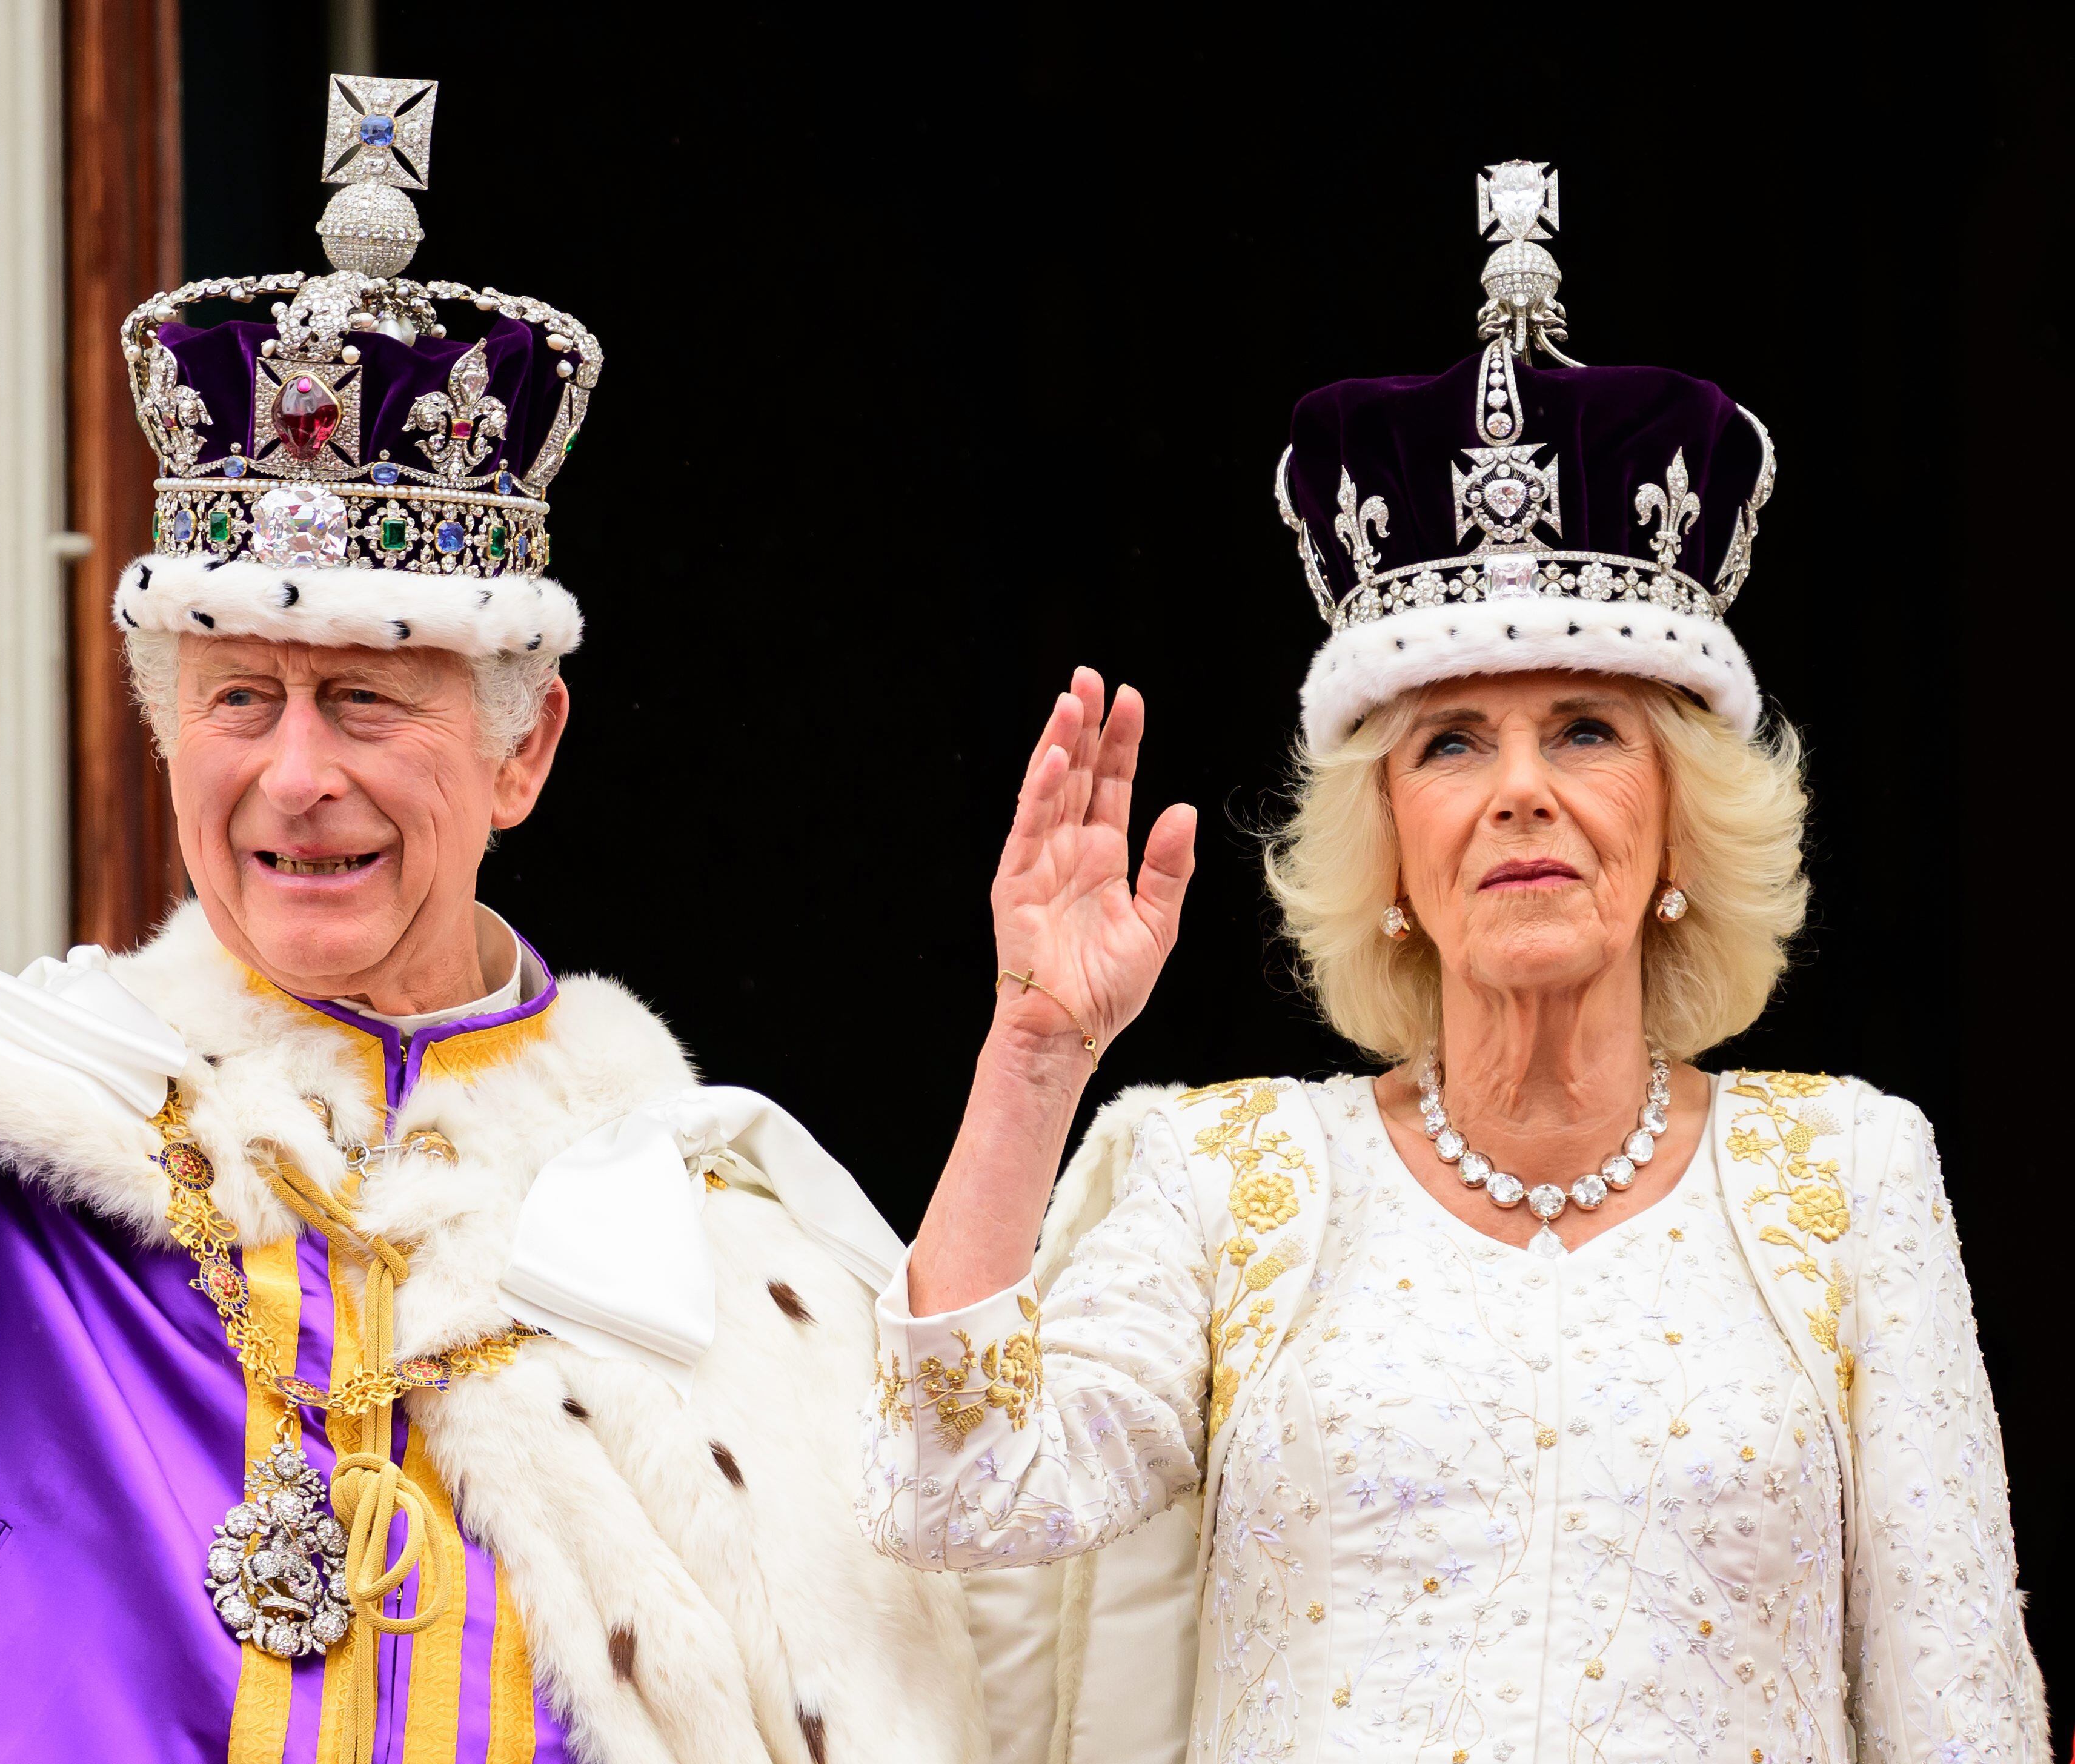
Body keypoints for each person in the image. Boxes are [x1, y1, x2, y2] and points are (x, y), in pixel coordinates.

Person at [0, 74, 984, 1764]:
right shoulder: (45, 1138)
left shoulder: (704, 1223)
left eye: (363, 701)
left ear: (523, 752)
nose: (293, 779)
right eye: (239, 701)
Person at [862, 162, 2048, 1763]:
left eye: (1584, 729)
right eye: (1451, 744)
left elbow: (1957, 1703)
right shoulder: (1233, 1179)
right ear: (1395, 852)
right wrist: (1035, 1054)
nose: (1521, 791)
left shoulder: (1851, 1177)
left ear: (1679, 821)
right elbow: (957, 1495)